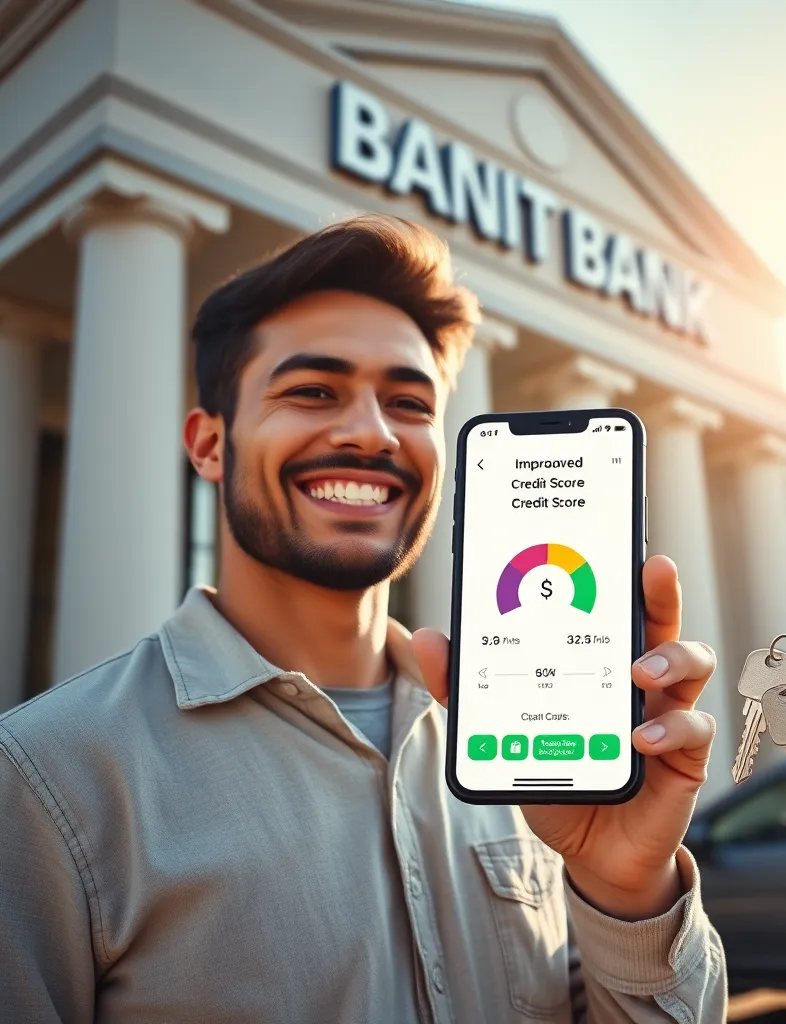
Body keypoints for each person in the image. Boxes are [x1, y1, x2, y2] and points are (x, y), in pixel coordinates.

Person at [0, 214, 725, 1023]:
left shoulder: (518, 745)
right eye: (313, 390)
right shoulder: (47, 780)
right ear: (209, 444)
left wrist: (628, 890)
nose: (372, 434)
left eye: (409, 403)